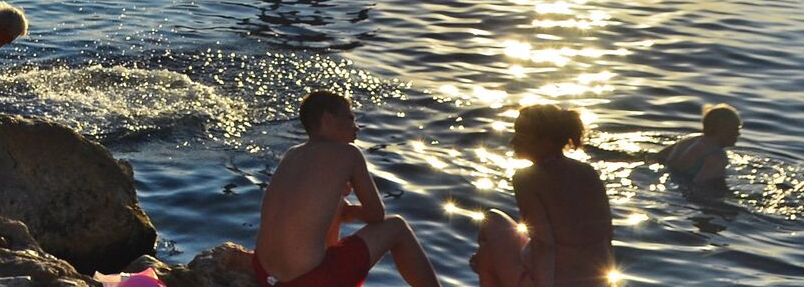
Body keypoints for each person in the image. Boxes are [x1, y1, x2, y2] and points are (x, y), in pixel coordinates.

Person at [255, 91, 442, 287]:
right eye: (350, 118)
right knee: (397, 227)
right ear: (327, 119)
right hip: (308, 281)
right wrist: (352, 212)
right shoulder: (348, 154)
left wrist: (342, 207)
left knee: (337, 201)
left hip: (264, 273)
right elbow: (376, 214)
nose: (356, 127)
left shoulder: (292, 155)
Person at [472, 104, 614, 287]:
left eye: (521, 135)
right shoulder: (588, 172)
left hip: (553, 280)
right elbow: (606, 237)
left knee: (490, 229)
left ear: (546, 141)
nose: (513, 141)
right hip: (598, 281)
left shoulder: (527, 179)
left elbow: (545, 244)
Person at [661, 103, 742, 190]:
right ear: (724, 130)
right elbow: (702, 184)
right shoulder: (717, 156)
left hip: (670, 177)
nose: (738, 134)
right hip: (684, 188)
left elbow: (658, 157)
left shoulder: (689, 139)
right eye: (736, 129)